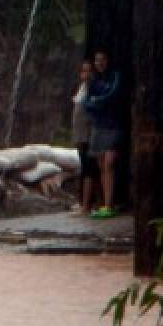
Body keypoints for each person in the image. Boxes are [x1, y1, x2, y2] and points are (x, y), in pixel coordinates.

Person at [84, 50, 123, 219]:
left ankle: (109, 203)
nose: (100, 63)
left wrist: (97, 100)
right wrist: (96, 101)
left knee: (109, 163)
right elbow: (86, 102)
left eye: (103, 60)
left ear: (108, 61)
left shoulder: (115, 76)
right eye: (97, 60)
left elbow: (112, 95)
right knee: (101, 165)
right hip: (98, 124)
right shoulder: (93, 80)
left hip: (113, 124)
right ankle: (105, 203)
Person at [70, 59, 99, 215]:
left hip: (88, 134)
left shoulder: (93, 89)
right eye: (83, 71)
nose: (85, 74)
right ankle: (83, 201)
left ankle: (87, 205)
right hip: (80, 134)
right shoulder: (82, 88)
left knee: (89, 168)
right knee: (84, 167)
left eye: (88, 71)